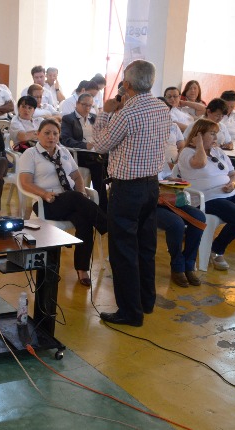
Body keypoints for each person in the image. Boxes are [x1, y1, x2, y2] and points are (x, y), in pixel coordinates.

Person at [92, 59, 171, 326]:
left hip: (127, 189)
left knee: (123, 250)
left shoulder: (126, 113)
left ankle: (130, 312)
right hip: (151, 186)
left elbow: (100, 145)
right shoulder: (162, 107)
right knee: (146, 246)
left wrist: (105, 113)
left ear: (126, 84)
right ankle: (146, 302)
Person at [20, 119, 107, 286]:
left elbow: (77, 176)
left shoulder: (64, 151)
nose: (51, 137)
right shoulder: (30, 154)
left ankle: (82, 269)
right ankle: (108, 226)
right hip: (47, 202)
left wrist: (81, 193)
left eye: (55, 133)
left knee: (84, 221)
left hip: (70, 201)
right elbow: (25, 183)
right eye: (47, 133)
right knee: (74, 197)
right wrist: (44, 194)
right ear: (38, 134)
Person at [177, 118, 235, 270]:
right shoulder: (187, 152)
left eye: (216, 133)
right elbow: (200, 163)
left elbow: (233, 174)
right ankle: (216, 250)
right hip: (207, 197)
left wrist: (233, 184)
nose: (216, 137)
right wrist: (199, 144)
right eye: (212, 134)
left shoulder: (218, 151)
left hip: (229, 193)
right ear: (199, 135)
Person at [60, 92, 109, 211]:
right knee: (99, 166)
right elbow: (66, 140)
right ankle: (103, 207)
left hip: (96, 152)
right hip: (79, 154)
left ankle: (110, 201)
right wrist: (85, 145)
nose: (87, 108)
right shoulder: (68, 119)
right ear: (77, 104)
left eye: (90, 106)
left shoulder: (94, 118)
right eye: (84, 105)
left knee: (111, 161)